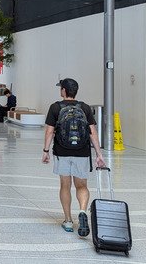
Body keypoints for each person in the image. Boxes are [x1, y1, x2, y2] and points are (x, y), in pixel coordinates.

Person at [42, 78, 105, 236]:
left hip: (62, 151)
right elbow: (93, 133)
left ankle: (68, 220)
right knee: (81, 186)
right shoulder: (84, 108)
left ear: (63, 90)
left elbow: (50, 131)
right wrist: (99, 154)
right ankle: (82, 211)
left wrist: (45, 150)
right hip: (81, 151)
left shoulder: (55, 107)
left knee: (65, 185)